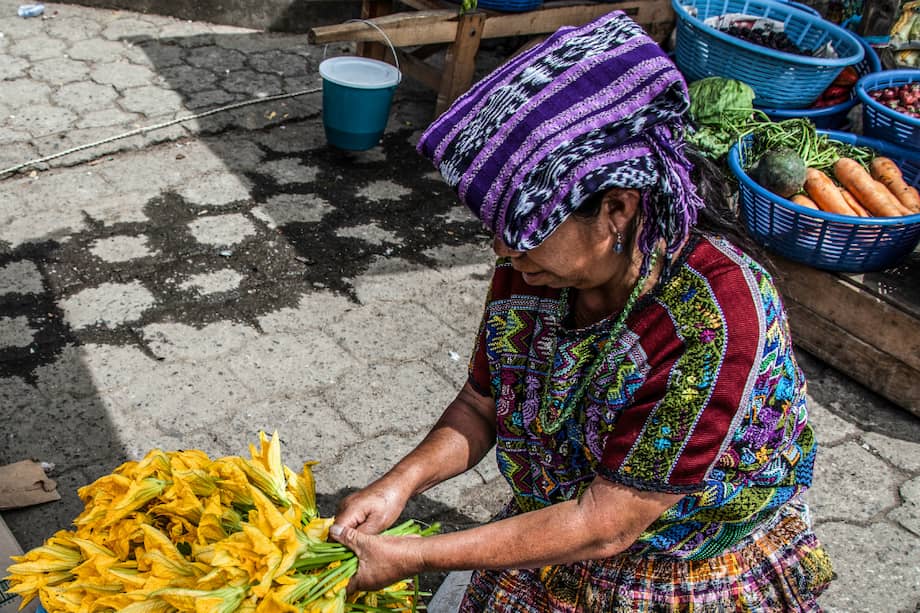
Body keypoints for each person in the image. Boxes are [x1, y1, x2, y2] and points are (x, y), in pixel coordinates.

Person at [329, 10, 834, 611]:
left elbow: (607, 523)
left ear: (617, 209)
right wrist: (397, 486)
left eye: (521, 230)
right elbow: (481, 404)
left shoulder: (718, 317)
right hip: (561, 523)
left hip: (671, 564)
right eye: (496, 229)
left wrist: (415, 557)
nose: (502, 250)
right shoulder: (532, 271)